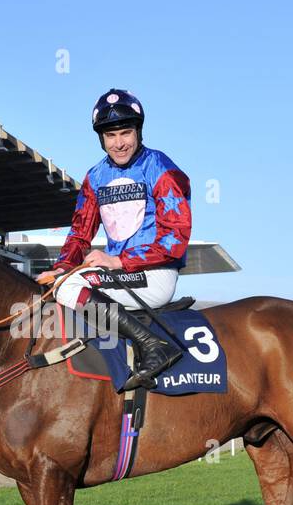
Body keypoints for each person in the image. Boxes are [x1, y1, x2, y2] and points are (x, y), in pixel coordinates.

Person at [35, 88, 191, 390]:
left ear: (138, 131)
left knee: (70, 287)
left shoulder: (162, 168)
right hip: (119, 274)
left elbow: (176, 238)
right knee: (62, 282)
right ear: (101, 139)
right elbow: (80, 234)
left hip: (154, 274)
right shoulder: (95, 177)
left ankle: (156, 346)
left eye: (125, 133)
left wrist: (118, 260)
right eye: (111, 136)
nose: (119, 143)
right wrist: (61, 267)